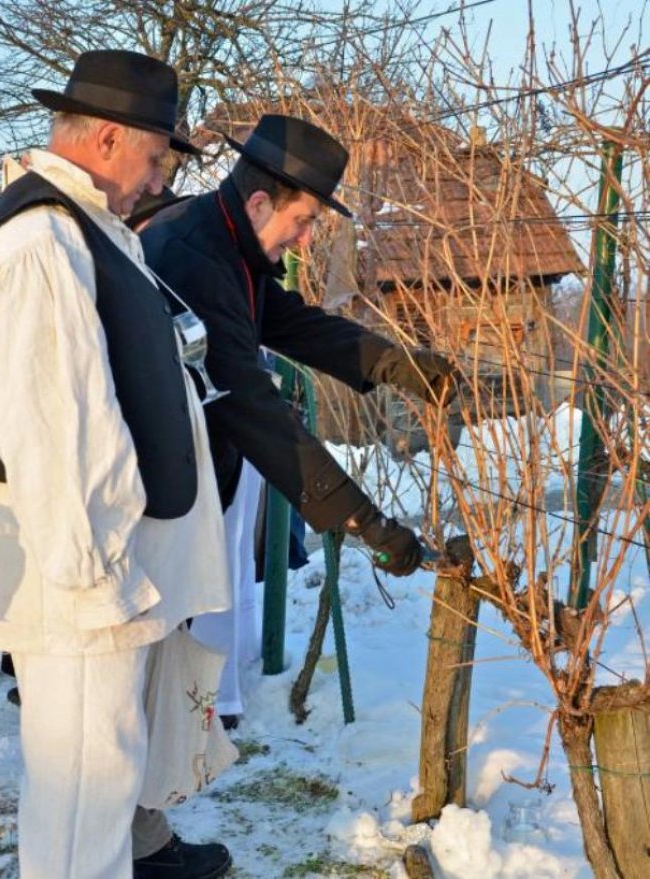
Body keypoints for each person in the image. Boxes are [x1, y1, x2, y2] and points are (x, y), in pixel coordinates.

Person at [0, 50, 232, 879]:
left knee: (94, 793)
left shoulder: (81, 232)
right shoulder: (42, 240)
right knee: (83, 799)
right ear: (109, 138)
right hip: (83, 584)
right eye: (155, 158)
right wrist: (95, 580)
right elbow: (57, 425)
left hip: (97, 574)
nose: (156, 182)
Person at [141, 114, 458, 719]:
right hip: (157, 487)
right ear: (261, 203)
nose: (306, 239)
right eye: (304, 221)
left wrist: (395, 364)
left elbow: (284, 319)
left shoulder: (223, 239)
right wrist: (363, 522)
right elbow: (249, 404)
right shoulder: (194, 255)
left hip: (193, 469)